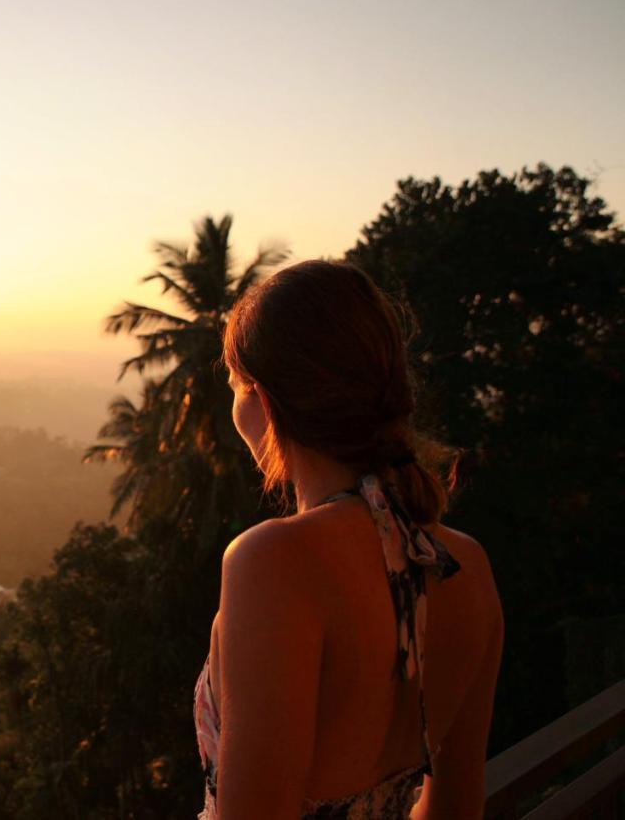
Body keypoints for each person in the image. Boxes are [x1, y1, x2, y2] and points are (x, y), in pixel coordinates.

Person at [193, 260, 504, 819]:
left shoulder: (273, 562)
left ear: (263, 401)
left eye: (235, 386)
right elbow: (457, 806)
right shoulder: (465, 565)